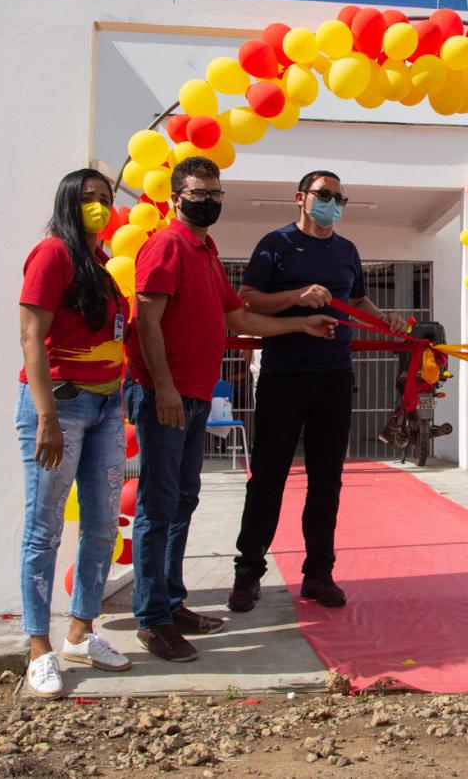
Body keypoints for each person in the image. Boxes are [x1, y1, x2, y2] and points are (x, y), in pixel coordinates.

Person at [125, 157, 337, 662]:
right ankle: (152, 619)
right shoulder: (166, 245)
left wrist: (299, 327)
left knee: (181, 501)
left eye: (217, 193)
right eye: (201, 193)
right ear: (177, 198)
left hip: (196, 394)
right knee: (157, 508)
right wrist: (165, 387)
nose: (211, 201)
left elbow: (239, 316)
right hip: (167, 396)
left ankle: (171, 602)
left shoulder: (205, 251)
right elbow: (146, 321)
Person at [228, 171, 408, 613]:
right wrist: (296, 296)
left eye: (339, 196)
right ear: (301, 198)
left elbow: (358, 301)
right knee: (268, 477)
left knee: (326, 481)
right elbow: (247, 299)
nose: (333, 202)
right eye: (324, 195)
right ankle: (248, 572)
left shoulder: (347, 251)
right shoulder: (276, 244)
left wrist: (388, 321)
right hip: (284, 376)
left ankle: (319, 574)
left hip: (334, 376)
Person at [16, 169, 132, 698]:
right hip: (61, 408)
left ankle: (82, 633)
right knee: (44, 529)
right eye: (88, 199)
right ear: (68, 202)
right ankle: (39, 647)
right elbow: (31, 336)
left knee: (102, 526)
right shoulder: (53, 255)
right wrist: (44, 417)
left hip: (108, 406)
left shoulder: (102, 265)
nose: (99, 207)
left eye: (105, 199)